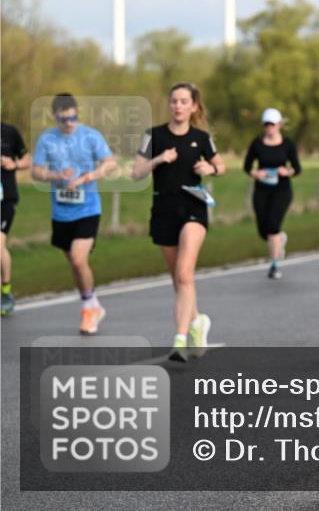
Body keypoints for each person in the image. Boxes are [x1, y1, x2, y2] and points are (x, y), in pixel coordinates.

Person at [132, 83, 225, 360]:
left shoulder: (202, 137)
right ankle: (198, 321)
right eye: (174, 101)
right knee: (179, 279)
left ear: (194, 106)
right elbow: (136, 173)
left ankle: (180, 340)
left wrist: (210, 168)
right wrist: (159, 159)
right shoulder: (153, 136)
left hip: (193, 206)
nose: (178, 106)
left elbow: (221, 167)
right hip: (163, 207)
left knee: (185, 273)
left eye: (184, 101)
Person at [31, 94, 117, 334]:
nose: (69, 123)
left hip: (88, 208)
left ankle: (88, 311)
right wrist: (56, 176)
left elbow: (110, 163)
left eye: (73, 117)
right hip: (61, 212)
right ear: (55, 116)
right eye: (64, 119)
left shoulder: (90, 136)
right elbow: (36, 172)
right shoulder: (47, 139)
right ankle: (92, 303)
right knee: (75, 265)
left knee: (79, 259)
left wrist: (86, 178)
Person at [243, 108, 301, 279]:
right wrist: (256, 173)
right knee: (263, 230)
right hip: (262, 189)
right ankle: (279, 239)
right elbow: (247, 166)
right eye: (266, 124)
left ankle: (275, 265)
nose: (269, 127)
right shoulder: (257, 143)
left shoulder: (287, 144)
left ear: (280, 125)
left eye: (272, 124)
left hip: (281, 190)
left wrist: (287, 171)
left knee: (273, 226)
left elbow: (297, 168)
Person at [1, 121, 31, 316]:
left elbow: (27, 159)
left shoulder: (9, 132)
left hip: (5, 198)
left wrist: (14, 164)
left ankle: (6, 292)